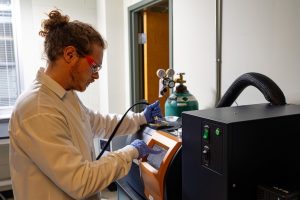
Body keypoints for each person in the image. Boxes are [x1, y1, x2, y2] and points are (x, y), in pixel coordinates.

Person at [8, 9, 162, 200]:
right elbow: (81, 181)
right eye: (94, 66)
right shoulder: (38, 109)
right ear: (70, 54)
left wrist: (140, 118)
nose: (96, 75)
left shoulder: (64, 95)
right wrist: (131, 151)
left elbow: (97, 122)